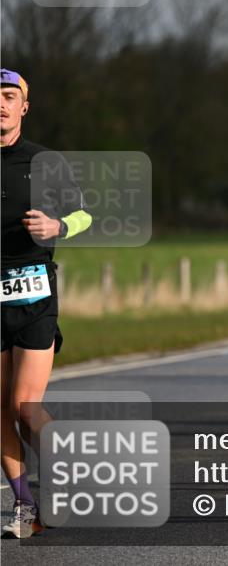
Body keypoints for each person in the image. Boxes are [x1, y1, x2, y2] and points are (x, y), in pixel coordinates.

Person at [2, 68, 92, 538]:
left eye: (9, 96)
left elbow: (84, 215)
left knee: (23, 407)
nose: (1, 103)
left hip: (34, 291)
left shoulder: (45, 161)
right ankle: (23, 506)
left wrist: (58, 227)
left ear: (24, 107)